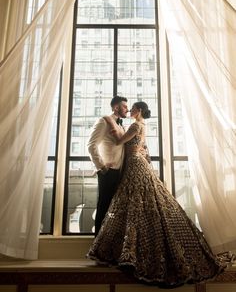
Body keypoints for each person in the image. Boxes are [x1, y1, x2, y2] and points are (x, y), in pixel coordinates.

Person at [87, 101, 226, 288]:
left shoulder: (136, 124)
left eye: (133, 108)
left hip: (134, 164)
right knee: (134, 200)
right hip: (131, 164)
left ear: (140, 111)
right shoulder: (139, 125)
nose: (130, 110)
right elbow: (142, 147)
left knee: (135, 200)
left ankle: (127, 248)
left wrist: (114, 129)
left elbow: (120, 141)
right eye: (128, 107)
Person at [87, 95, 128, 236]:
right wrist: (102, 167)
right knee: (104, 207)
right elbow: (91, 145)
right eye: (124, 106)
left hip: (120, 172)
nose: (127, 109)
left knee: (116, 210)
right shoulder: (104, 121)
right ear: (116, 107)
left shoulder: (121, 124)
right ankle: (97, 248)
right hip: (108, 172)